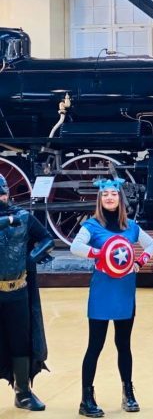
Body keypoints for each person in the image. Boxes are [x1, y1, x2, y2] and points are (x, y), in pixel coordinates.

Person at [70, 178, 153, 417]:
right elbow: (75, 247)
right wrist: (100, 253)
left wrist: (140, 262)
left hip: (125, 291)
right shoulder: (92, 225)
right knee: (95, 345)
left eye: (114, 194)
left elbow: (151, 245)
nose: (109, 198)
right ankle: (86, 398)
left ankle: (128, 392)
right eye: (105, 194)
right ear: (100, 199)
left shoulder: (131, 226)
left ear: (120, 198)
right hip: (102, 291)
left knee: (124, 344)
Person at [0, 174, 54, 411]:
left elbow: (46, 239)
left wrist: (32, 258)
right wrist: (8, 220)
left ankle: (22, 392)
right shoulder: (15, 217)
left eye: (2, 193)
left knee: (21, 342)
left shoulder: (24, 217)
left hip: (17, 290)